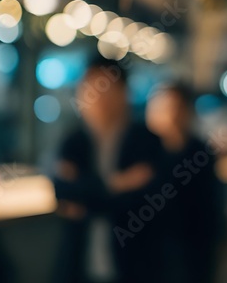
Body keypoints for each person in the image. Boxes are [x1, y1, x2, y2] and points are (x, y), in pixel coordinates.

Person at [53, 56, 166, 283]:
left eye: (105, 88)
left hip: (135, 265)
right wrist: (115, 185)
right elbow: (61, 190)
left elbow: (140, 201)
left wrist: (85, 199)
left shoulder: (147, 142)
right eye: (90, 88)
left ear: (124, 92)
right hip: (79, 265)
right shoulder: (73, 142)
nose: (97, 98)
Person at [145, 82, 224, 283]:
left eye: (175, 107)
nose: (169, 115)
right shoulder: (145, 150)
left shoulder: (200, 152)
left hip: (192, 246)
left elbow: (210, 205)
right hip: (151, 248)